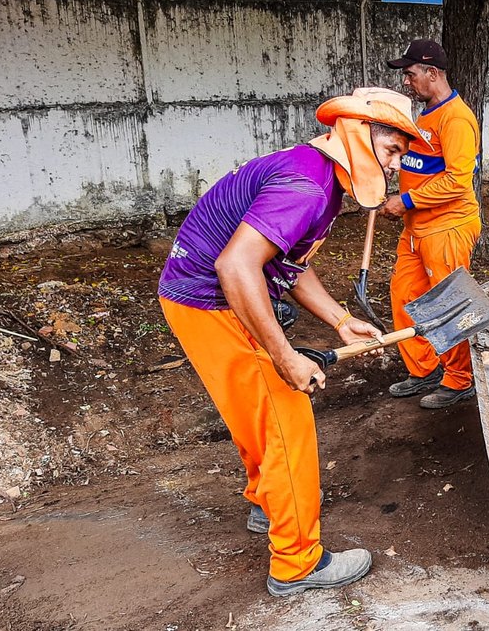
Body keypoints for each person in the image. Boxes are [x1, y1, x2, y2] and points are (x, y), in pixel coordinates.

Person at [157, 88, 421, 597]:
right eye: (391, 152)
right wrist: (285, 356)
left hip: (193, 298)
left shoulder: (313, 172)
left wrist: (341, 320)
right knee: (285, 423)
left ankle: (267, 502)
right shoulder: (308, 186)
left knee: (257, 416)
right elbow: (237, 266)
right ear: (359, 134)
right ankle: (297, 562)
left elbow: (287, 263)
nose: (393, 167)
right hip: (214, 303)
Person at [379, 39, 483, 409]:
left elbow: (457, 181)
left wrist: (405, 200)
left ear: (433, 73)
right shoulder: (424, 115)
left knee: (447, 304)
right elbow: (420, 165)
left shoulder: (456, 119)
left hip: (447, 228)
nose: (406, 81)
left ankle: (459, 379)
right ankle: (424, 369)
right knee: (405, 295)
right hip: (417, 228)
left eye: (410, 74)